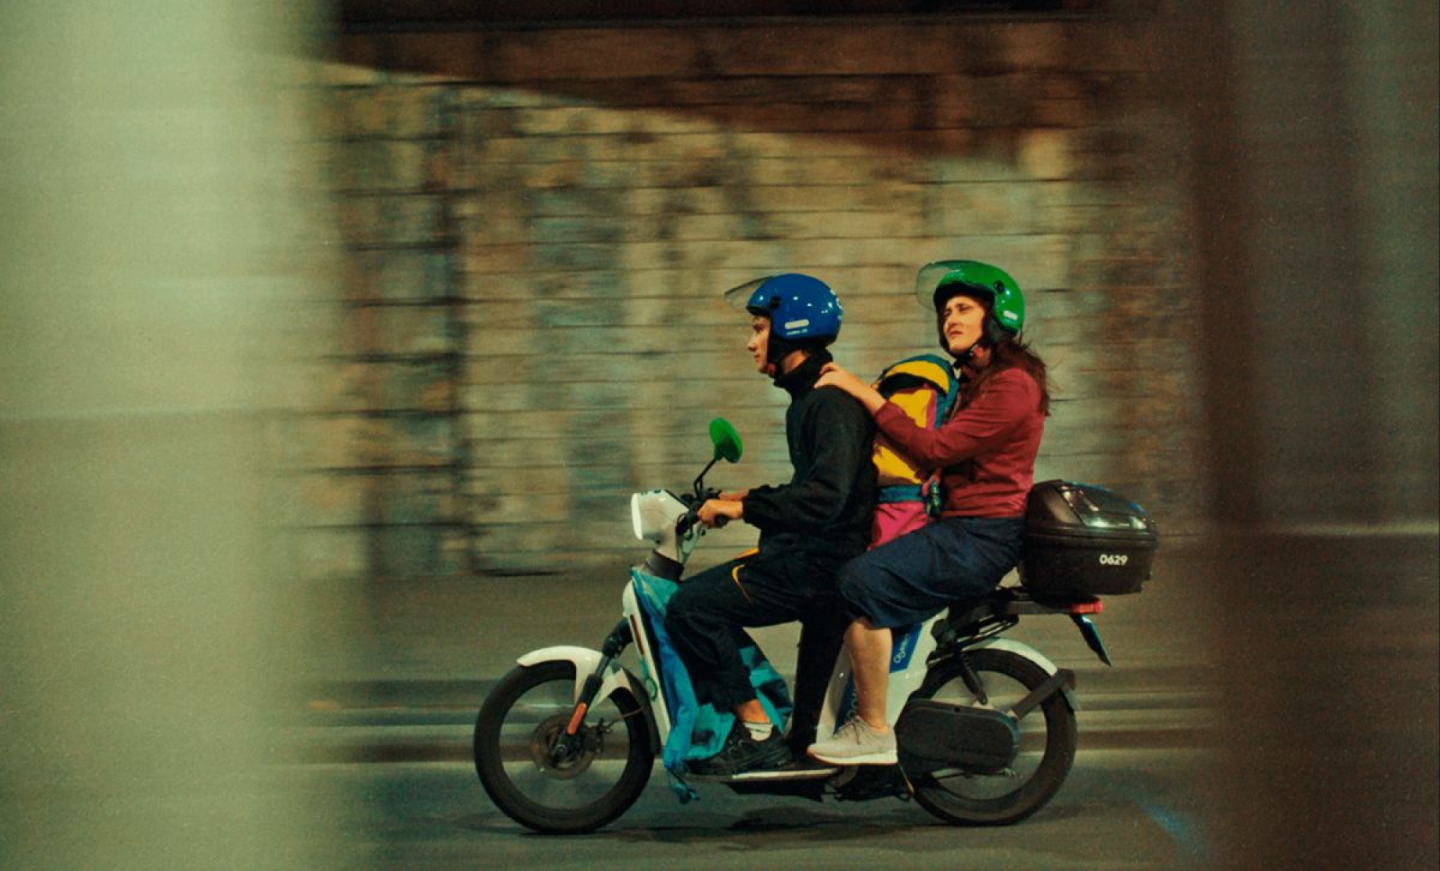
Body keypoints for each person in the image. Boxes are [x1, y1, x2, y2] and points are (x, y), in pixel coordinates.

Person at [806, 260, 1050, 766]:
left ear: (995, 316)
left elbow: (937, 448)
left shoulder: (1014, 385)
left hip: (980, 537)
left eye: (963, 309)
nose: (950, 319)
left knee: (860, 582)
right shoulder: (976, 380)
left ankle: (873, 729)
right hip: (960, 530)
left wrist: (864, 393)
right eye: (945, 313)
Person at [666, 273, 877, 776]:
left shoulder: (828, 403)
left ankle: (757, 729)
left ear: (790, 331)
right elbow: (813, 486)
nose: (751, 341)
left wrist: (745, 510)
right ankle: (797, 743)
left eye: (759, 328)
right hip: (817, 556)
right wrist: (743, 497)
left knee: (690, 608)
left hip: (819, 565)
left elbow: (824, 499)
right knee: (806, 728)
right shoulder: (809, 399)